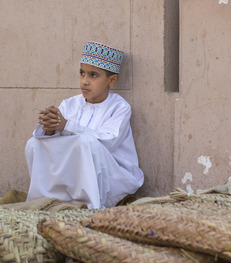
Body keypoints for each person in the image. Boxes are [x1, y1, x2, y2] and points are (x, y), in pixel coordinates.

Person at [25, 41, 144, 209]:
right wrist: (50, 129)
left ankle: (91, 205)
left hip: (113, 176)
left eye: (93, 75)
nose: (84, 81)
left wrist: (67, 126)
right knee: (34, 144)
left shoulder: (119, 107)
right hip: (74, 173)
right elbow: (58, 143)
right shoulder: (70, 104)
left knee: (85, 143)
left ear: (112, 80)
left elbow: (108, 142)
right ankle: (44, 201)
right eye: (82, 73)